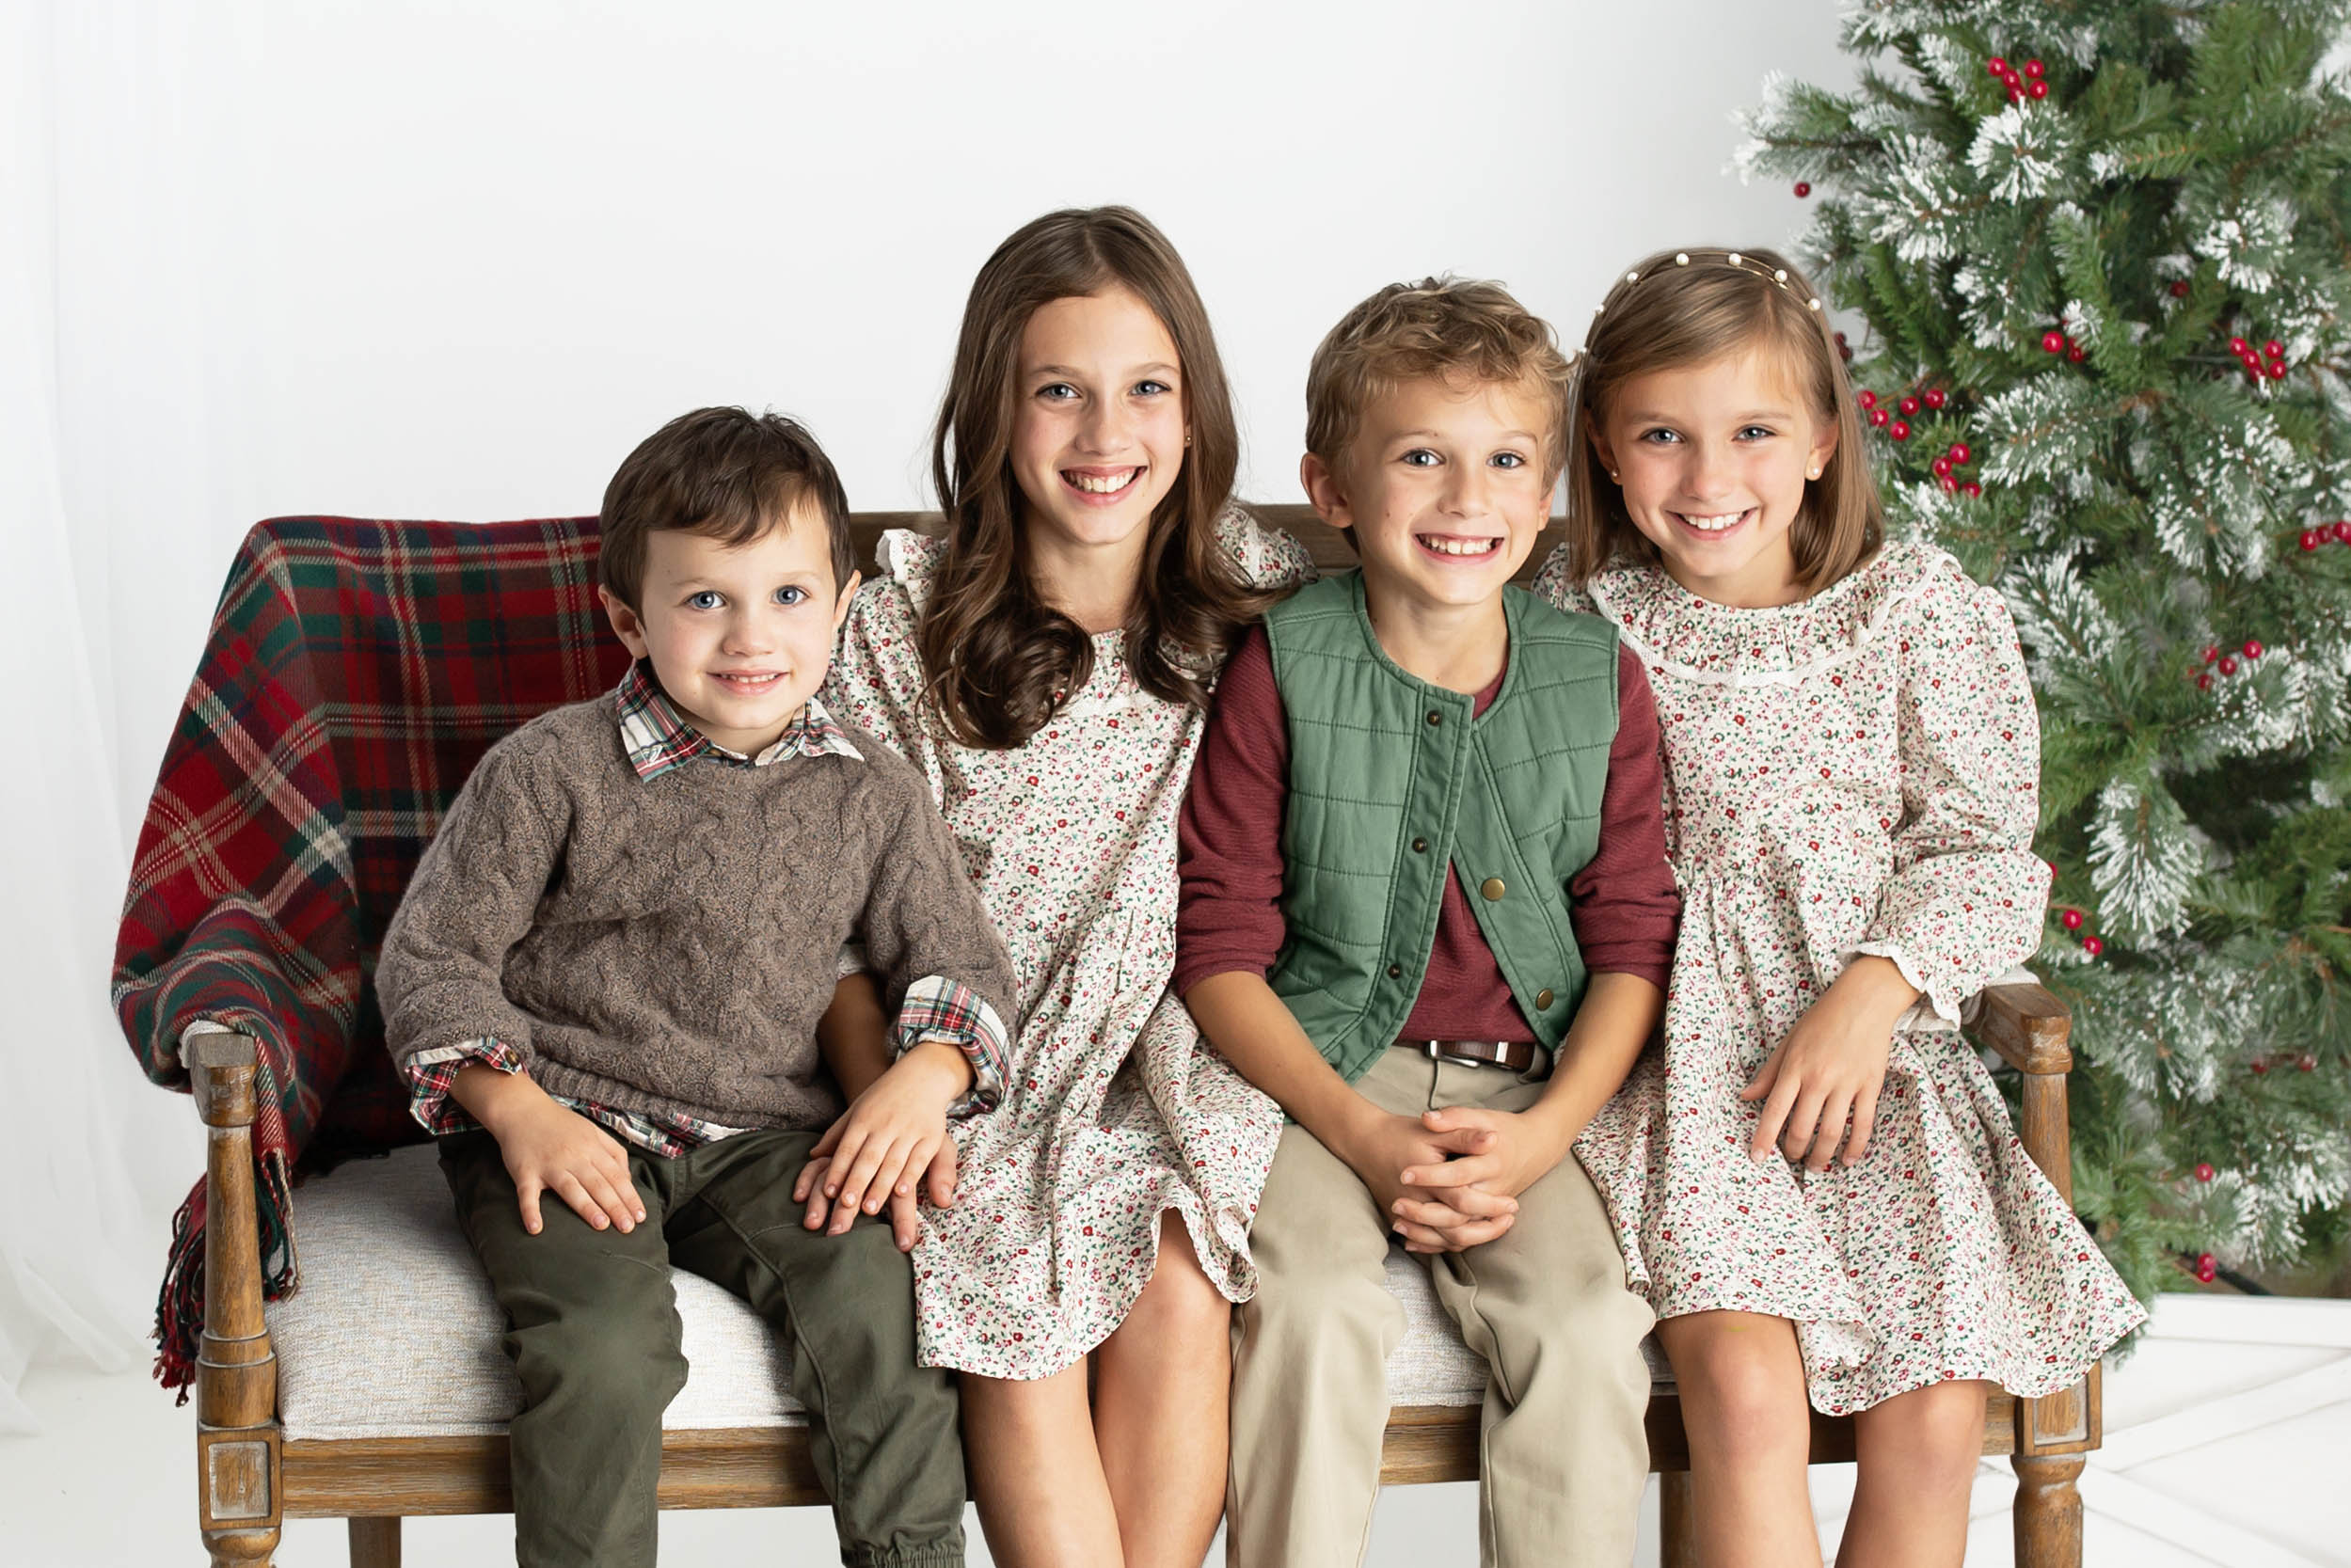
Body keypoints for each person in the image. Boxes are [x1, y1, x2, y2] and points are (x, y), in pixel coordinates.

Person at [1533, 246, 2146, 1566]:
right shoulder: (1569, 614)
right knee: (1746, 1403)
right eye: (1660, 435)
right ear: (1601, 441)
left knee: (1929, 1417)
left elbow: (1982, 849)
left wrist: (1871, 993)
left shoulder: (1913, 609)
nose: (1707, 479)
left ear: (1819, 436)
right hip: (1674, 1065)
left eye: (1750, 431)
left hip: (1879, 1063)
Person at [376, 405, 1016, 1568]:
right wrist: (518, 1111)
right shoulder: (550, 770)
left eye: (787, 594)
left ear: (843, 603)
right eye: (704, 598)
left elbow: (960, 962)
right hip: (571, 1119)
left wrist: (928, 1074)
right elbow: (434, 960)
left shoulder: (873, 792)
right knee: (607, 1349)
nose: (749, 636)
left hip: (767, 1139)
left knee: (885, 1318)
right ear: (628, 615)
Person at [808, 206, 1313, 1568]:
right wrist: (905, 1087)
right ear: (991, 409)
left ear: (1195, 409)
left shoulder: (1262, 606)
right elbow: (833, 922)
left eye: (1145, 388)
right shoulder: (902, 620)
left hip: (1168, 1057)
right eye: (1058, 392)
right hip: (959, 1059)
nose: (1106, 433)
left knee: (1173, 1274)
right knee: (1010, 1283)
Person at [1179, 276, 1680, 1568]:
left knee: (1579, 1329)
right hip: (1318, 1075)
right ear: (1332, 487)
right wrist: (1354, 1123)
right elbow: (1220, 948)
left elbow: (1630, 937)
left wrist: (1542, 1140)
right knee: (1308, 1303)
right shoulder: (1281, 658)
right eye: (1421, 458)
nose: (1469, 501)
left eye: (1507, 460)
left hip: (1531, 1095)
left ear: (1548, 487)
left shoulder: (1593, 672)